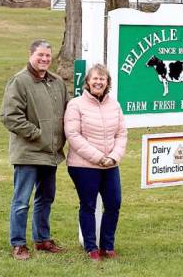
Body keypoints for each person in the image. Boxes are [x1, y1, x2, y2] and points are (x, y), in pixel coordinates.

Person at [0, 39, 69, 260]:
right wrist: (36, 133)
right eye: (40, 55)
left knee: (46, 198)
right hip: (28, 153)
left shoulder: (57, 82)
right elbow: (10, 116)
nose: (45, 59)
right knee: (21, 201)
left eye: (48, 56)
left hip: (51, 153)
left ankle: (42, 240)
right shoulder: (19, 81)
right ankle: (18, 244)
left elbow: (68, 112)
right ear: (31, 54)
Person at [64, 64, 128, 261]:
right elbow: (73, 135)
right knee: (88, 205)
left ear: (107, 83)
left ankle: (107, 245)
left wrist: (113, 157)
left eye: (102, 79)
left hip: (110, 165)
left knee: (114, 203)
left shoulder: (114, 105)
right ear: (87, 82)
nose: (98, 82)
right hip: (83, 166)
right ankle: (91, 247)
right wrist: (98, 157)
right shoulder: (76, 105)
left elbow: (121, 134)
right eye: (95, 79)